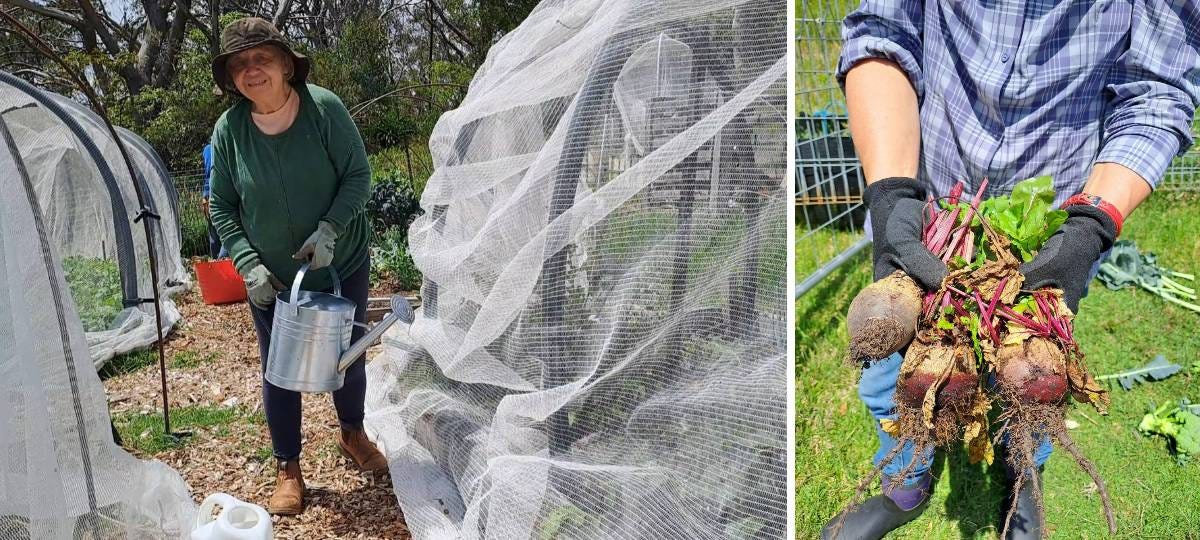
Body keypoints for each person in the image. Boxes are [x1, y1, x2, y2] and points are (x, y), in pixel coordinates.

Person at [823, 2, 1199, 539]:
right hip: (927, 209)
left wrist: (1091, 224)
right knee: (888, 377)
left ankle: (1023, 481)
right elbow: (883, 35)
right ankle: (905, 487)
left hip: (1053, 232)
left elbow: (1158, 94)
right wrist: (889, 196)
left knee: (1031, 382)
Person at [207, 17, 384, 516]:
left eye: (261, 58)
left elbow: (358, 175)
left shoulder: (323, 109)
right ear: (231, 79)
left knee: (347, 355)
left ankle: (353, 434)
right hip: (271, 278)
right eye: (239, 64)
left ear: (286, 65)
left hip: (340, 260)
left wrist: (330, 229)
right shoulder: (230, 131)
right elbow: (222, 205)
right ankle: (288, 468)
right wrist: (247, 263)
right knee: (278, 369)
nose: (251, 70)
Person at [201, 142, 228, 259]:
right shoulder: (228, 147)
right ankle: (221, 261)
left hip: (212, 196)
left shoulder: (208, 149)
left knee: (214, 235)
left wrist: (205, 195)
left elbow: (208, 174)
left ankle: (216, 262)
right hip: (224, 197)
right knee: (227, 234)